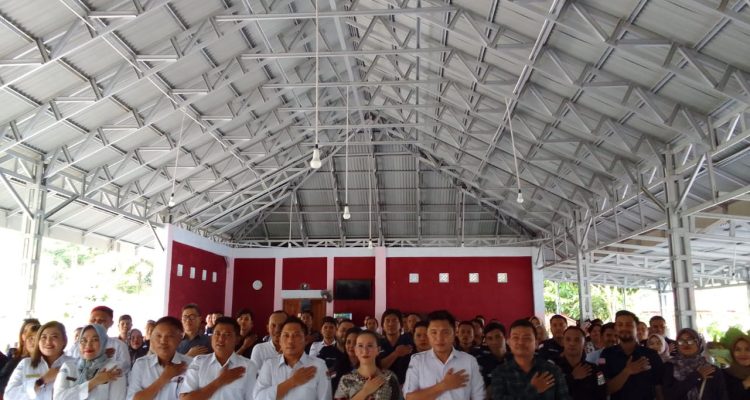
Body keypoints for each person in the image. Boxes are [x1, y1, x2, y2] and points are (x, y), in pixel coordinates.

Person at [403, 310, 485, 400]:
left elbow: (479, 396)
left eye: (445, 332)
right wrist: (444, 385)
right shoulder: (417, 361)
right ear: (428, 334)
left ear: (454, 334)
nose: (439, 338)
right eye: (434, 332)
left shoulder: (469, 361)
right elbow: (409, 397)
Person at [253, 317, 332, 400]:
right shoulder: (269, 365)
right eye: (286, 335)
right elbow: (258, 397)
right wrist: (292, 382)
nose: (290, 340)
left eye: (296, 335)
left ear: (306, 340)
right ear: (280, 340)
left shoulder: (318, 366)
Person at [490, 319, 570, 400]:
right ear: (509, 342)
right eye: (516, 337)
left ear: (536, 343)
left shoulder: (551, 371)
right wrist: (533, 390)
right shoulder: (500, 373)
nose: (521, 342)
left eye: (526, 338)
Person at [180, 316, 256, 399]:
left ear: (237, 340)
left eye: (227, 335)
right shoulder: (199, 362)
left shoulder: (248, 366)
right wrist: (220, 381)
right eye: (217, 333)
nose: (220, 339)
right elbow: (185, 398)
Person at [600, 310, 663, 400]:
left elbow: (659, 387)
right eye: (620, 325)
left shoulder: (651, 355)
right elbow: (603, 388)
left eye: (628, 325)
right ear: (615, 328)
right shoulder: (606, 354)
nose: (624, 328)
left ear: (636, 328)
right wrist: (627, 371)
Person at [54, 324, 126, 400]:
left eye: (95, 340)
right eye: (83, 340)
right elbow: (58, 397)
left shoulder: (113, 368)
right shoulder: (68, 366)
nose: (88, 345)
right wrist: (93, 382)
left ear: (103, 342)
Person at [4, 321, 73, 400]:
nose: (48, 342)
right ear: (38, 341)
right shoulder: (26, 364)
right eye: (43, 337)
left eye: (54, 336)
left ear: (64, 340)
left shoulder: (74, 364)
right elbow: (9, 396)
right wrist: (42, 380)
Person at [127, 316, 192, 400]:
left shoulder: (191, 365)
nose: (163, 341)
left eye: (169, 336)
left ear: (180, 338)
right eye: (158, 335)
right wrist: (164, 378)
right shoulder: (141, 365)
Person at [662, 328, 728, 400]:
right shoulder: (669, 367)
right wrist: (696, 376)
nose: (686, 343)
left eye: (690, 340)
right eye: (681, 341)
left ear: (699, 343)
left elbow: (721, 396)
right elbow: (669, 396)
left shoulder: (711, 370)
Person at [334, 330, 402, 400]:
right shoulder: (346, 380)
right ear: (356, 350)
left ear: (378, 350)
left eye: (370, 346)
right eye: (360, 346)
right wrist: (365, 392)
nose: (365, 351)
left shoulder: (390, 378)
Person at [69, 306, 131, 373]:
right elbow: (70, 366)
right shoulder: (76, 345)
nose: (96, 323)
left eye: (101, 321)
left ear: (111, 323)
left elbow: (124, 368)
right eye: (93, 320)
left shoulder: (119, 345)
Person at [555, 326, 606, 400]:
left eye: (577, 340)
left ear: (584, 343)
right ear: (563, 342)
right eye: (568, 339)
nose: (572, 343)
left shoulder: (596, 370)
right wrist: (572, 377)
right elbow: (551, 393)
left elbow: (603, 392)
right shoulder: (553, 368)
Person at [0, 320, 40, 395]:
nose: (29, 334)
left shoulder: (39, 361)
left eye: (33, 331)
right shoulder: (12, 354)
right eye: (25, 331)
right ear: (21, 335)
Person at [377, 309, 413, 384]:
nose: (391, 324)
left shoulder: (409, 341)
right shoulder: (377, 343)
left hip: (407, 385)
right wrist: (396, 353)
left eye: (394, 320)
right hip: (384, 386)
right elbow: (379, 367)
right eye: (387, 321)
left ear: (401, 325)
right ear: (382, 325)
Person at [473, 322, 507, 390]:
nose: (494, 341)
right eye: (490, 338)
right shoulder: (479, 360)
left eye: (497, 337)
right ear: (486, 341)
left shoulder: (516, 359)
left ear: (505, 337)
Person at [723, 335, 750, 399]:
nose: (743, 353)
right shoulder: (724, 374)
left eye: (748, 349)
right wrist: (745, 384)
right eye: (738, 350)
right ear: (732, 353)